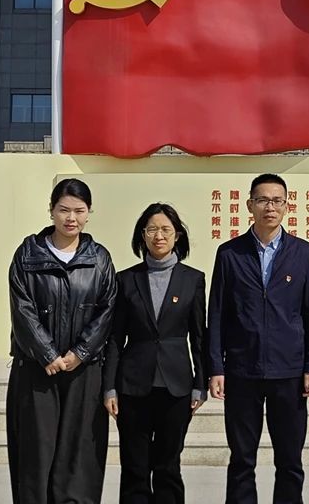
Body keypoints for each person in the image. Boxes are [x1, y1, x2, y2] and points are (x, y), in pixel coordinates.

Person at [208, 172, 309, 504]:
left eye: (276, 201)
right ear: (250, 205)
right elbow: (217, 314)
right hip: (241, 370)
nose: (269, 207)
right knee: (241, 460)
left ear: (287, 206)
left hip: (289, 372)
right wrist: (216, 367)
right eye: (262, 200)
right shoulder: (230, 253)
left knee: (289, 460)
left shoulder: (303, 253)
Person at [6, 178, 117, 504]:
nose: (71, 218)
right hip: (36, 371)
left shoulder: (99, 259)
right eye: (64, 210)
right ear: (51, 211)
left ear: (89, 213)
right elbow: (22, 309)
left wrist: (79, 353)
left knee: (79, 456)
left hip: (84, 372)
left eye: (79, 211)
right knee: (35, 454)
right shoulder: (28, 255)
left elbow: (107, 310)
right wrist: (48, 354)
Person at [103, 203, 206, 504]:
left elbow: (199, 336)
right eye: (151, 230)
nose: (158, 236)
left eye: (165, 230)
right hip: (133, 385)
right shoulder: (126, 279)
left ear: (177, 236)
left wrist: (200, 383)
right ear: (142, 236)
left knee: (168, 466)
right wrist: (109, 386)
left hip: (177, 387)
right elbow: (114, 338)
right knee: (134, 466)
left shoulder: (193, 279)